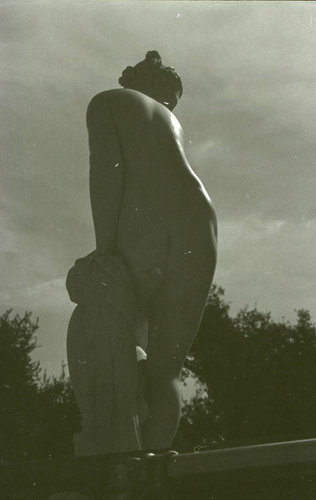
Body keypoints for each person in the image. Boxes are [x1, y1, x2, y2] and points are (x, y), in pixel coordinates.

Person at [66, 51, 217, 455]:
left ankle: (125, 466)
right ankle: (151, 470)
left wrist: (105, 250)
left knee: (105, 306)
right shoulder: (171, 122)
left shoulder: (109, 101)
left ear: (130, 80)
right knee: (165, 372)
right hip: (201, 222)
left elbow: (107, 169)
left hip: (149, 219)